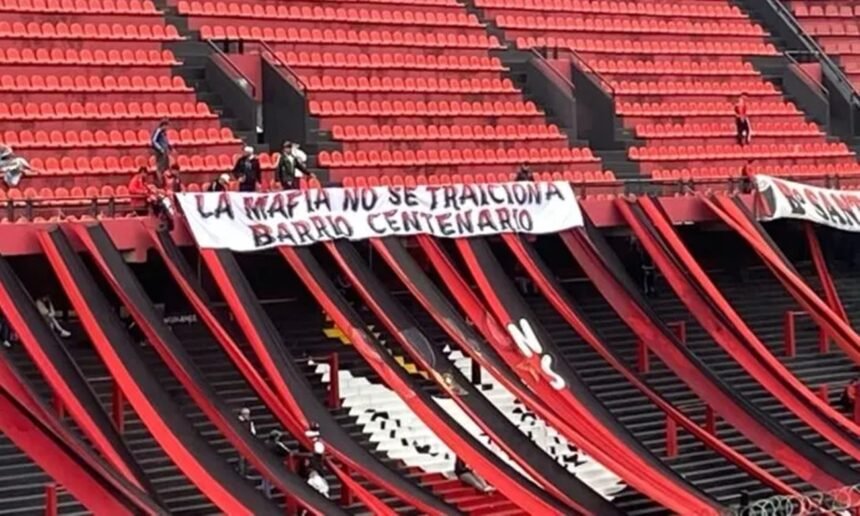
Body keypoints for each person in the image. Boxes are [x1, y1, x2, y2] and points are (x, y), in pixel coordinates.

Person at [150, 119, 171, 185]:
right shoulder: (158, 131)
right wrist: (160, 149)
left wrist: (169, 146)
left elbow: (165, 141)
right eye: (166, 126)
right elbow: (153, 141)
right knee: (160, 168)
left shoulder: (164, 132)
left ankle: (164, 182)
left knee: (165, 167)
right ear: (163, 125)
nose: (167, 128)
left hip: (165, 152)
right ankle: (160, 182)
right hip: (160, 152)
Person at [237, 407, 256, 477]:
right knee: (242, 458)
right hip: (241, 441)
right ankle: (241, 473)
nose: (248, 416)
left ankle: (246, 472)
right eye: (247, 414)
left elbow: (253, 431)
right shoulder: (238, 421)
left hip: (248, 442)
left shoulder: (250, 422)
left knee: (247, 458)